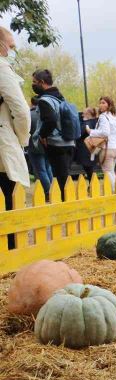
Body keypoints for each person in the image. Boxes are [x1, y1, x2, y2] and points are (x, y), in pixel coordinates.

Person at [0, 27, 31, 250]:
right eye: (9, 46)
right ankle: (10, 251)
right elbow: (21, 110)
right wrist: (22, 139)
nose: (10, 52)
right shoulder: (1, 67)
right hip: (2, 145)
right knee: (10, 199)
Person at [32, 68, 75, 197]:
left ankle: (63, 205)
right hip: (69, 142)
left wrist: (43, 135)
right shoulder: (60, 98)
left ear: (42, 82)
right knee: (65, 178)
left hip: (56, 144)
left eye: (34, 82)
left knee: (60, 180)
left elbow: (50, 120)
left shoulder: (45, 100)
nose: (33, 85)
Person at [86, 96, 116, 191]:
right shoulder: (114, 116)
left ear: (109, 105)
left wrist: (90, 131)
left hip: (107, 148)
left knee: (108, 172)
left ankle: (115, 192)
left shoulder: (103, 116)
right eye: (100, 102)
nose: (100, 104)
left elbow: (105, 132)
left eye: (103, 103)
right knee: (111, 171)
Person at [28, 96, 53, 200]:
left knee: (41, 170)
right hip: (47, 144)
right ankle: (54, 190)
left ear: (31, 103)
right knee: (48, 168)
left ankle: (48, 193)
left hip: (34, 146)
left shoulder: (29, 115)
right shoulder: (44, 113)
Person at [74, 106, 97, 179]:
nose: (82, 115)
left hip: (86, 148)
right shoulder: (94, 122)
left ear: (88, 114)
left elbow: (79, 133)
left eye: (84, 113)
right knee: (88, 168)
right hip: (89, 148)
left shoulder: (88, 123)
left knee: (88, 167)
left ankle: (92, 183)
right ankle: (92, 183)